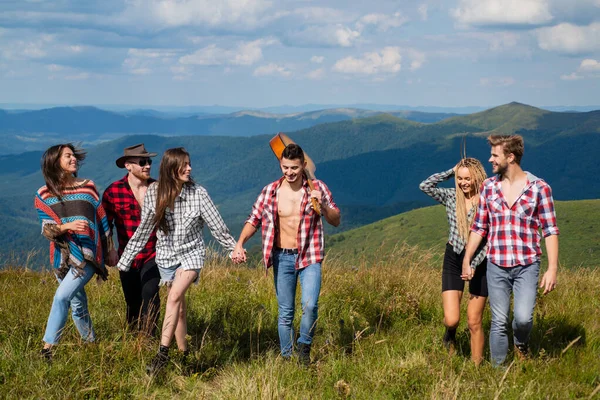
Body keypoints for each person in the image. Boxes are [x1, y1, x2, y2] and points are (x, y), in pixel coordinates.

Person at [116, 147, 238, 375]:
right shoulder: (154, 193)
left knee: (173, 297)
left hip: (191, 255)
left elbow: (217, 226)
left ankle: (162, 355)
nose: (190, 168)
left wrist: (233, 249)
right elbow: (144, 231)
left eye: (189, 164)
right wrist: (125, 262)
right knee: (179, 309)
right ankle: (185, 359)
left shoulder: (198, 193)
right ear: (172, 169)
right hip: (166, 257)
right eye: (185, 165)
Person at [232, 143, 341, 366]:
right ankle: (287, 358)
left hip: (310, 256)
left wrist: (323, 205)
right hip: (281, 256)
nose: (289, 173)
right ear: (280, 166)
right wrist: (239, 243)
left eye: (294, 168)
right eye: (285, 167)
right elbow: (254, 219)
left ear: (303, 166)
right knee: (285, 313)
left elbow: (336, 219)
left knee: (310, 305)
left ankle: (304, 349)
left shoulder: (316, 188)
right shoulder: (270, 191)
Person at [462, 134, 559, 367]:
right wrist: (468, 259)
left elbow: (550, 229)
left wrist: (552, 268)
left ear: (511, 157)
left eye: (495, 155)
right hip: (496, 264)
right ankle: (499, 373)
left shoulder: (539, 188)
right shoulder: (489, 187)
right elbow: (479, 227)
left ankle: (520, 343)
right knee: (498, 320)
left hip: (527, 264)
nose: (490, 159)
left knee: (523, 319)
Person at [34, 143, 110, 360]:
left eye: (73, 155)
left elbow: (101, 218)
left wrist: (109, 249)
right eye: (68, 156)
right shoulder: (44, 194)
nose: (73, 158)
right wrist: (67, 227)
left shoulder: (88, 187)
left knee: (61, 297)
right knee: (77, 303)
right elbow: (47, 230)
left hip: (87, 255)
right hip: (62, 257)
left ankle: (47, 349)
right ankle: (91, 346)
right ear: (55, 161)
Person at [419, 158, 488, 365]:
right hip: (454, 256)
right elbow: (425, 186)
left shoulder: (487, 199)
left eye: (468, 178)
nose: (463, 182)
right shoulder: (451, 196)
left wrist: (473, 264)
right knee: (452, 319)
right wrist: (451, 171)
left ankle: (477, 368)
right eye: (460, 178)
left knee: (474, 321)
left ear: (477, 177)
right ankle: (450, 334)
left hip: (481, 260)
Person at [102, 143, 160, 335]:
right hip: (127, 255)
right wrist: (110, 250)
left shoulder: (158, 188)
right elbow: (106, 224)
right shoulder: (113, 192)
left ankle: (149, 339)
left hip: (154, 252)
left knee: (150, 294)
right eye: (142, 162)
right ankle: (134, 339)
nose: (147, 166)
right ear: (128, 165)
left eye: (149, 161)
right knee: (132, 302)